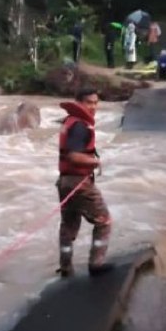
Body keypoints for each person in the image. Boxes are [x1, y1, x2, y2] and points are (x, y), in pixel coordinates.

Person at [56, 88, 113, 277]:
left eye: (96, 103)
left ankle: (65, 267)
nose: (93, 107)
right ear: (79, 103)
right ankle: (96, 263)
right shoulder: (80, 126)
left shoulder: (70, 121)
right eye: (89, 102)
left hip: (64, 182)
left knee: (68, 226)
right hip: (79, 183)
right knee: (104, 221)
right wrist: (96, 162)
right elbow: (74, 156)